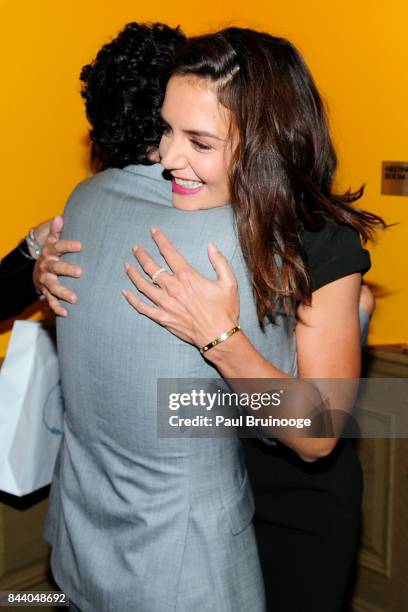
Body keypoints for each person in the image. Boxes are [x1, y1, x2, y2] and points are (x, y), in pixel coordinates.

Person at [34, 24, 383, 612]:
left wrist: (220, 338)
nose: (168, 159)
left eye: (199, 141)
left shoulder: (317, 243)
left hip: (290, 496)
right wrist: (41, 254)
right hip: (204, 480)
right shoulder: (182, 203)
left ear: (265, 142)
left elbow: (318, 433)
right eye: (167, 130)